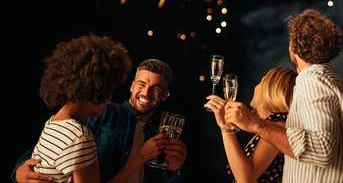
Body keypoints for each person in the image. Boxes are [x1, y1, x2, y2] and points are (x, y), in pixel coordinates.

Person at [225, 9, 343, 183]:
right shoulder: (331, 81)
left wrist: (255, 124)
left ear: (294, 46)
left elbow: (322, 149)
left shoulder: (312, 79)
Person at [15, 58, 188, 183]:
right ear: (132, 85)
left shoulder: (156, 137)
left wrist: (174, 170)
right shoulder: (103, 112)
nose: (146, 93)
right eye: (141, 84)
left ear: (165, 95)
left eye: (156, 88)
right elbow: (50, 148)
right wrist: (19, 172)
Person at [27, 34, 132, 183]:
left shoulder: (52, 123)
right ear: (96, 88)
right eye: (110, 89)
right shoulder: (79, 138)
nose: (109, 98)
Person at [205, 67, 297, 183]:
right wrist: (225, 125)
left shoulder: (277, 125)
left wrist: (226, 130)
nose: (256, 86)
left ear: (270, 89)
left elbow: (245, 178)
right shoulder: (271, 124)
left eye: (261, 82)